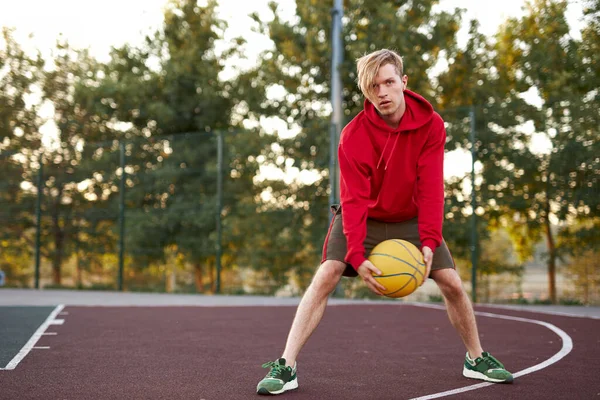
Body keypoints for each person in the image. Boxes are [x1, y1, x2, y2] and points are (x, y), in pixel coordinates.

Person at [256, 49, 513, 396]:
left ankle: (476, 358)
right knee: (327, 274)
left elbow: (431, 189)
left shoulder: (432, 125)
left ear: (403, 82)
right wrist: (358, 257)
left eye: (389, 82)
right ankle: (286, 365)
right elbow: (354, 200)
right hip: (364, 215)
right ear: (366, 91)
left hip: (410, 214)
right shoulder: (354, 135)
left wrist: (428, 240)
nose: (382, 92)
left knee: (451, 281)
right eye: (373, 86)